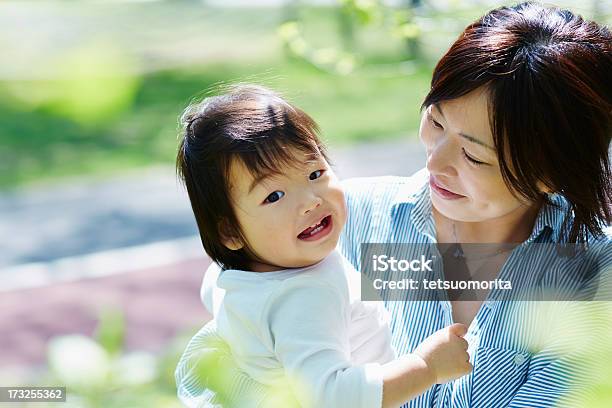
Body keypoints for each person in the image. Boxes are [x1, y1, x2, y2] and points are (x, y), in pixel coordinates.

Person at [176, 2, 611, 407]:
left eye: (474, 155)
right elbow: (205, 365)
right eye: (436, 121)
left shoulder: (589, 274)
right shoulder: (342, 221)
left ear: (550, 172)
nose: (435, 160)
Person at [174, 84, 472, 408]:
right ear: (230, 232)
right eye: (274, 196)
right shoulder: (306, 297)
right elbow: (332, 397)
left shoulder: (230, 276)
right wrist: (426, 367)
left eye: (315, 173)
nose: (310, 201)